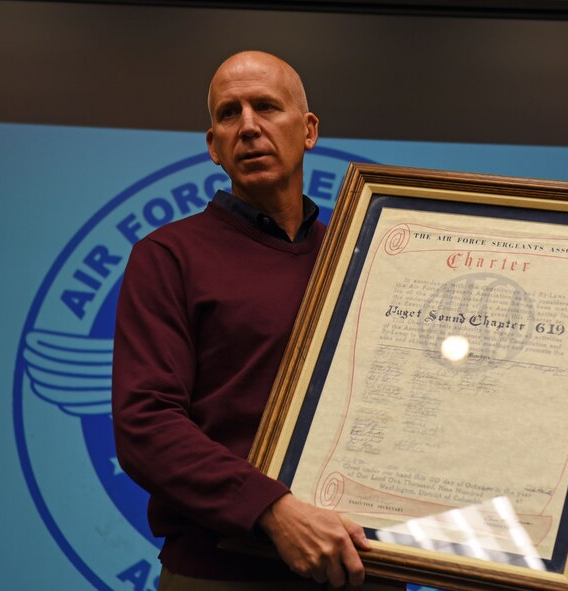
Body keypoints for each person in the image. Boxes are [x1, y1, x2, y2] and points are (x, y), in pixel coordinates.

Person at [112, 51, 395, 590]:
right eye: (228, 114)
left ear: (308, 130)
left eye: (267, 106)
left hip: (364, 569)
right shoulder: (168, 256)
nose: (248, 126)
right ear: (213, 146)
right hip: (223, 573)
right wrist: (273, 510)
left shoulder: (368, 259)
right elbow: (145, 424)